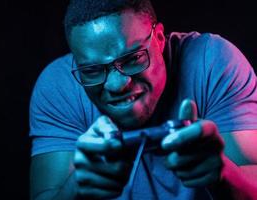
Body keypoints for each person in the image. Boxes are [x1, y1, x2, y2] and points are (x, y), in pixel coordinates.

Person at [29, 0, 257, 199]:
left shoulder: (211, 62)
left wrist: (223, 174)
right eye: (92, 71)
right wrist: (77, 188)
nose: (117, 85)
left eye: (133, 58)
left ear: (158, 38)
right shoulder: (60, 86)